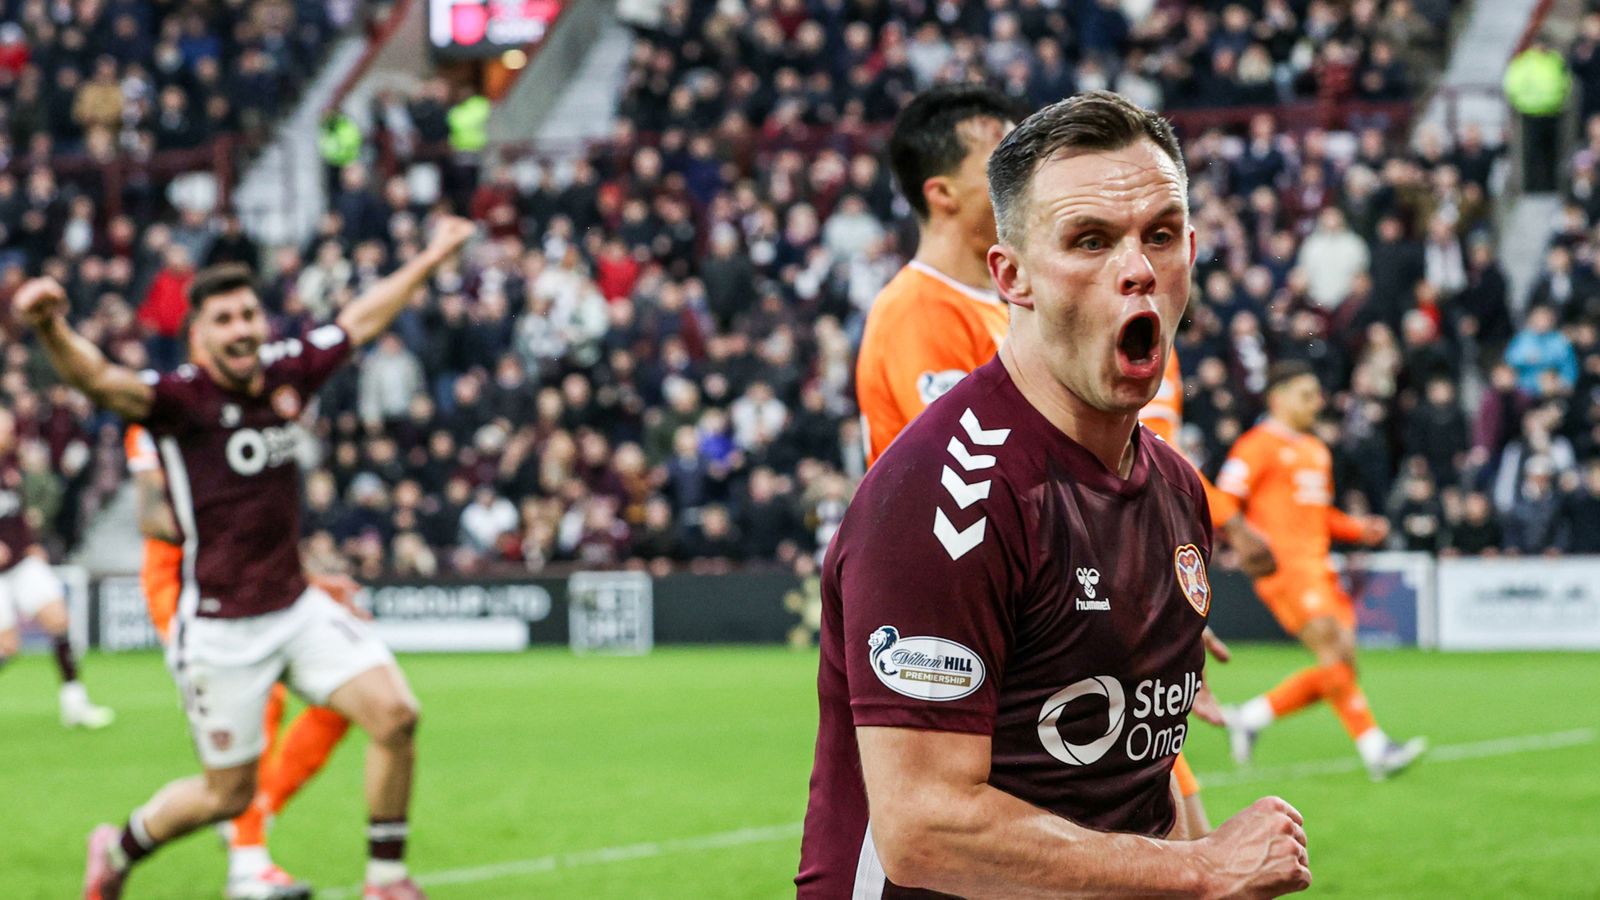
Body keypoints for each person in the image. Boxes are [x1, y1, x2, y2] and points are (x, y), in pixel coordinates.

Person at [798, 92, 1311, 898]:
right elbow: (925, 829)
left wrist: (1194, 862)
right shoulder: (947, 494)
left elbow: (1133, 799)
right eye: (1090, 240)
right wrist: (1201, 869)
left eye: (1162, 235)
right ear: (1013, 277)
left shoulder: (1176, 491)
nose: (1137, 267)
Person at [12, 215, 476, 900]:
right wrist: (50, 327)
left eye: (249, 315)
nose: (241, 330)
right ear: (199, 334)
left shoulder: (287, 375)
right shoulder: (180, 401)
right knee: (227, 794)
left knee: (395, 714)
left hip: (295, 604)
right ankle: (117, 849)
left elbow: (361, 319)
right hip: (223, 627)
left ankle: (386, 881)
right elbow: (102, 382)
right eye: (223, 319)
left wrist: (434, 255)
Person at [126, 422, 356, 900]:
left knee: (347, 693)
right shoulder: (158, 412)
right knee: (262, 696)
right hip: (184, 581)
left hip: (254, 574)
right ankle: (248, 864)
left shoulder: (255, 410)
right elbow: (155, 515)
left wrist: (301, 577)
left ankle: (254, 813)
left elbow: (260, 517)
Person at [1218, 361, 1426, 781]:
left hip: (1321, 567)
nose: (1317, 403)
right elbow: (1224, 499)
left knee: (1343, 663)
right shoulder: (1256, 446)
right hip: (1285, 570)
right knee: (1333, 651)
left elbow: (1318, 515)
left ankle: (1250, 717)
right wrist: (1235, 541)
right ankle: (1376, 749)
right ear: (1278, 398)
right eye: (1306, 395)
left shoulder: (1317, 450)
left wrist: (1357, 529)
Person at [855, 84, 1021, 467]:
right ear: (943, 193)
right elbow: (965, 473)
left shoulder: (993, 308)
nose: (1025, 184)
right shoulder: (919, 308)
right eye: (1004, 167)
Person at [0, 407, 114, 730]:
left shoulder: (10, 465)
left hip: (22, 562)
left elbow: (16, 514)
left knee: (58, 620)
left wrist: (30, 541)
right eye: (3, 427)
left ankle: (74, 703)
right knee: (7, 646)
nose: (9, 432)